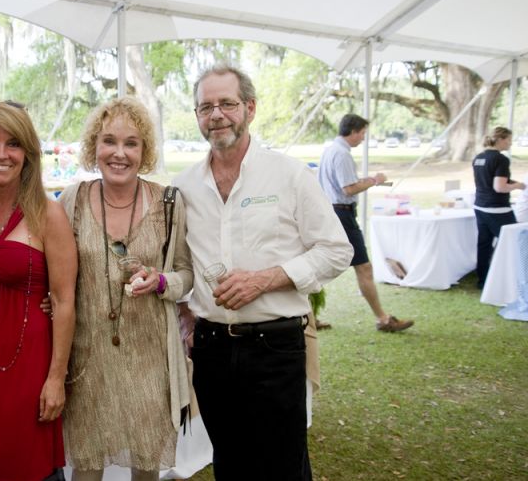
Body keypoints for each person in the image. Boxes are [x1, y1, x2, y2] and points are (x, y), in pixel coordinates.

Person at [173, 65, 352, 480]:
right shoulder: (184, 186)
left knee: (283, 466)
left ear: (250, 108)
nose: (216, 114)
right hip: (212, 349)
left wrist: (265, 279)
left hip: (275, 346)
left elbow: (336, 250)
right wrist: (184, 307)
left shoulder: (288, 175)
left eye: (227, 104)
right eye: (205, 107)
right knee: (230, 463)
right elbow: (179, 262)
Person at [57, 97, 193, 481]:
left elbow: (187, 272)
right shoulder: (73, 201)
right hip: (87, 358)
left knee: (147, 465)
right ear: (93, 147)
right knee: (86, 465)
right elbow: (58, 278)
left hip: (151, 357)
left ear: (144, 150)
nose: (119, 153)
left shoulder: (168, 202)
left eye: (131, 143)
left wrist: (163, 281)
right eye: (108, 141)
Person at [0, 100, 76, 480]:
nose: (1, 154)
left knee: (25, 461)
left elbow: (63, 300)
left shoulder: (49, 213)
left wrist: (56, 378)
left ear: (28, 152)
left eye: (13, 144)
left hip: (28, 357)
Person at [318, 114, 415, 333]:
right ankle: (383, 319)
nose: (363, 138)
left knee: (323, 265)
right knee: (363, 267)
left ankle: (309, 314)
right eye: (362, 133)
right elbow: (348, 189)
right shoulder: (341, 154)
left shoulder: (331, 150)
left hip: (333, 212)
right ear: (352, 131)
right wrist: (374, 181)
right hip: (342, 214)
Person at [472, 127, 525, 288]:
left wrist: (511, 181)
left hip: (480, 206)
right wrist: (518, 186)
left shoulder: (478, 157)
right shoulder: (501, 159)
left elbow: (488, 180)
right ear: (501, 139)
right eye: (509, 139)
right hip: (498, 209)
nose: (510, 143)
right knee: (517, 243)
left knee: (484, 244)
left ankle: (483, 281)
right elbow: (499, 187)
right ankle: (517, 280)